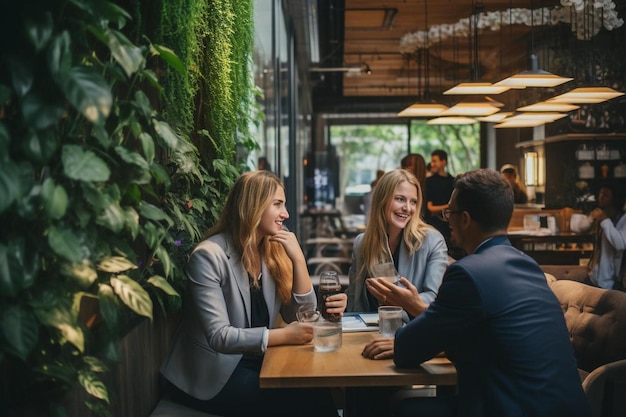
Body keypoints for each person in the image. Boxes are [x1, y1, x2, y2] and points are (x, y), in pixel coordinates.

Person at [363, 169, 590, 417]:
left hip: (512, 408)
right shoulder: (529, 265)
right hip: (566, 408)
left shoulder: (467, 273)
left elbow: (408, 350)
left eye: (450, 213)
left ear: (465, 219)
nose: (447, 220)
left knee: (402, 408)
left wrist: (412, 325)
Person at [161, 171, 345, 417]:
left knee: (314, 389)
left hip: (255, 363)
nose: (285, 214)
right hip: (211, 376)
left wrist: (299, 260)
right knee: (301, 398)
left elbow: (301, 315)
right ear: (254, 206)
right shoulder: (209, 256)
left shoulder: (270, 250)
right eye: (278, 204)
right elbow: (219, 337)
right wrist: (282, 336)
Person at [346, 169, 448, 315]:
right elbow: (354, 299)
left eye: (413, 202)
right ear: (382, 200)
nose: (407, 208)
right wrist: (343, 304)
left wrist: (402, 301)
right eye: (400, 199)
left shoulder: (432, 241)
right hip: (366, 332)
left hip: (411, 332)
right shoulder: (362, 243)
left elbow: (434, 299)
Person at [587, 181, 626, 290]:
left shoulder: (623, 219)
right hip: (594, 278)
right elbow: (580, 230)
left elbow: (620, 244)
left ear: (615, 198)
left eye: (606, 195)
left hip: (612, 283)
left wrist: (605, 220)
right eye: (600, 194)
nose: (601, 197)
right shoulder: (602, 217)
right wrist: (591, 219)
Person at [425, 149, 455, 247]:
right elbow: (430, 208)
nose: (432, 164)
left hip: (449, 227)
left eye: (435, 161)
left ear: (443, 162)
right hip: (434, 226)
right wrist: (449, 206)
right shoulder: (429, 181)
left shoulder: (452, 181)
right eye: (432, 161)